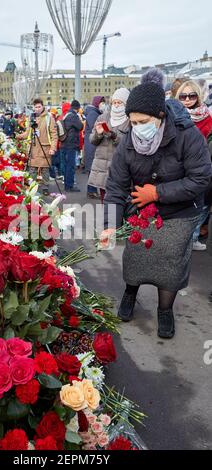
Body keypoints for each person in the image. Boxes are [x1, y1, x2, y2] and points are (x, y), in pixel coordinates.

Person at [100, 69, 212, 340]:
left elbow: (201, 178)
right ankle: (130, 293)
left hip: (179, 212)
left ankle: (165, 309)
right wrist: (110, 226)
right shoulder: (128, 142)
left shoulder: (187, 135)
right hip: (141, 212)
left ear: (160, 117)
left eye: (143, 121)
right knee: (136, 257)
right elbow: (115, 186)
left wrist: (158, 193)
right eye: (133, 122)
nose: (137, 127)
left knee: (170, 266)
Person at [176, 80, 212, 251]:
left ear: (198, 96)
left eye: (192, 95)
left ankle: (193, 237)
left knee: (200, 206)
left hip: (199, 167)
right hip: (177, 167)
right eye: (184, 96)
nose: (188, 99)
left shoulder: (207, 119)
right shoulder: (172, 116)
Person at [88, 88, 130, 204]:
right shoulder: (103, 117)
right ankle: (107, 221)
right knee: (104, 201)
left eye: (120, 103)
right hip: (101, 167)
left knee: (119, 201)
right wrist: (98, 134)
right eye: (114, 102)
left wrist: (114, 136)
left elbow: (130, 142)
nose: (116, 105)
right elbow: (92, 140)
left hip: (119, 166)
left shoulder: (130, 120)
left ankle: (116, 221)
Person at [17, 98, 58, 196]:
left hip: (45, 147)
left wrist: (53, 148)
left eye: (39, 106)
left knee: (45, 170)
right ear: (33, 108)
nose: (37, 109)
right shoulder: (31, 118)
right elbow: (27, 133)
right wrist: (18, 136)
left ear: (43, 106)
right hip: (34, 147)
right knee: (32, 169)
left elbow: (54, 135)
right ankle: (32, 187)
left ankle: (45, 187)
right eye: (35, 107)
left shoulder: (49, 118)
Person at [84, 96, 106, 199]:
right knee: (93, 168)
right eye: (102, 102)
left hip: (92, 144)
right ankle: (91, 191)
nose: (103, 104)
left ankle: (92, 190)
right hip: (92, 145)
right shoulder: (93, 114)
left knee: (93, 168)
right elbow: (97, 127)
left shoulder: (95, 112)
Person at [60, 100, 84, 192]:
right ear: (77, 108)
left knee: (66, 166)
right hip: (70, 144)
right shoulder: (73, 116)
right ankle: (69, 186)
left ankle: (67, 185)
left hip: (64, 143)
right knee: (70, 166)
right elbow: (80, 126)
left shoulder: (67, 115)